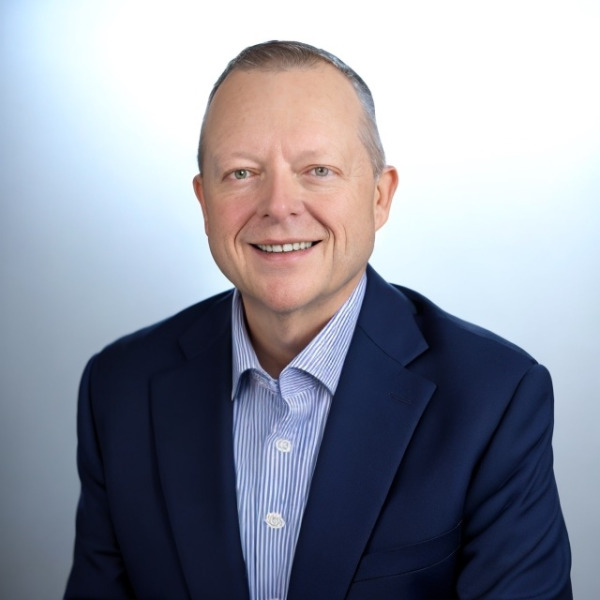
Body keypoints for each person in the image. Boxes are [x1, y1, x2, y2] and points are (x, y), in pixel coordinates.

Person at [64, 41, 572, 600]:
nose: (279, 205)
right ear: (204, 201)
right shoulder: (120, 389)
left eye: (319, 170)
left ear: (379, 197)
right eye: (241, 172)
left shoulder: (495, 398)